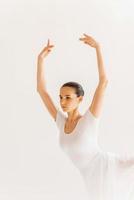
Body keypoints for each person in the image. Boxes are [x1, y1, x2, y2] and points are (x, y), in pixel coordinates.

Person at [37, 34, 134, 200]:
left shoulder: (90, 119)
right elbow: (42, 91)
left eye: (68, 97)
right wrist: (40, 60)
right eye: (60, 97)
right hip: (89, 178)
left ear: (80, 99)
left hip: (105, 169)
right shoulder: (61, 121)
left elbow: (103, 82)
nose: (62, 101)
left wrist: (98, 48)